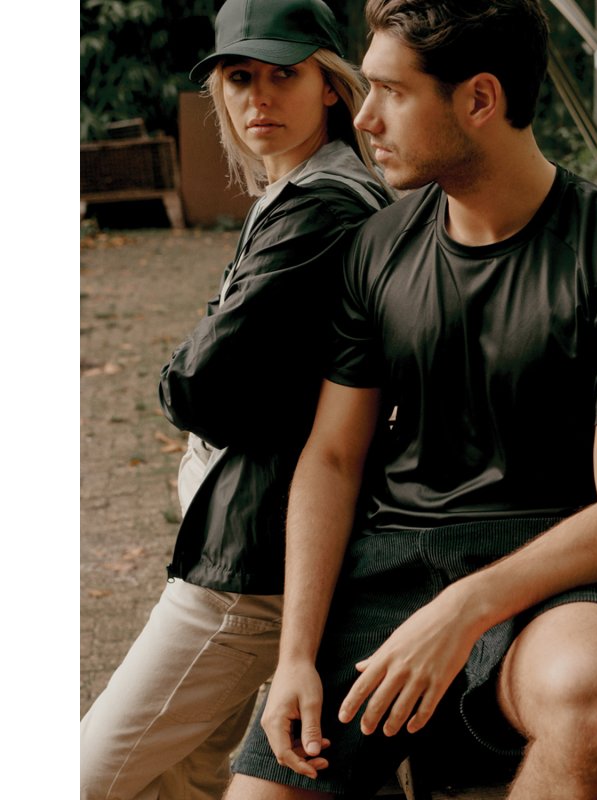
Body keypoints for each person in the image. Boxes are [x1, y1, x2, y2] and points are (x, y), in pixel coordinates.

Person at [225, 0, 597, 798]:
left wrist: (465, 607)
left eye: (392, 92)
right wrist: (297, 656)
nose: (365, 118)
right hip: (388, 571)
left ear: (480, 99)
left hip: (549, 578)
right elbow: (334, 456)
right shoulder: (377, 249)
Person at [79, 1, 392, 798]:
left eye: (284, 74)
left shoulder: (324, 206)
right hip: (249, 540)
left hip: (248, 569)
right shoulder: (298, 190)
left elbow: (197, 385)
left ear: (330, 84)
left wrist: (194, 368)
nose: (259, 97)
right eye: (239, 77)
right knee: (185, 780)